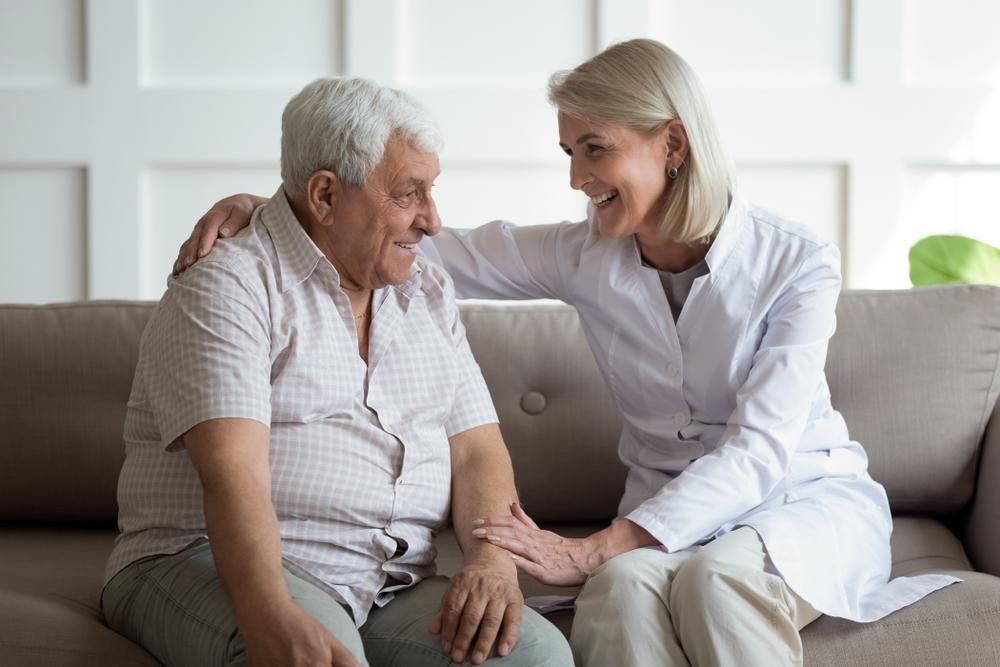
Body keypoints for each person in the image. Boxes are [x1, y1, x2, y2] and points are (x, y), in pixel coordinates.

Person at [176, 40, 959, 666]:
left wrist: (595, 545)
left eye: (595, 149)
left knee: (715, 582)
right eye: (568, 152)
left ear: (673, 145)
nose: (578, 177)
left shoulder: (798, 263)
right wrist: (277, 211)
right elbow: (408, 241)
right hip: (664, 517)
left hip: (796, 502)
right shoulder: (587, 254)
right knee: (618, 596)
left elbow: (760, 450)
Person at [104, 76, 573, 667]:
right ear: (325, 196)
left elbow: (476, 450)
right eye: (410, 194)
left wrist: (489, 562)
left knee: (533, 656)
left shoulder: (425, 292)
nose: (432, 220)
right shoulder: (230, 283)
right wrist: (268, 613)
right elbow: (232, 471)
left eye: (432, 190)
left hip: (385, 581)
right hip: (214, 559)